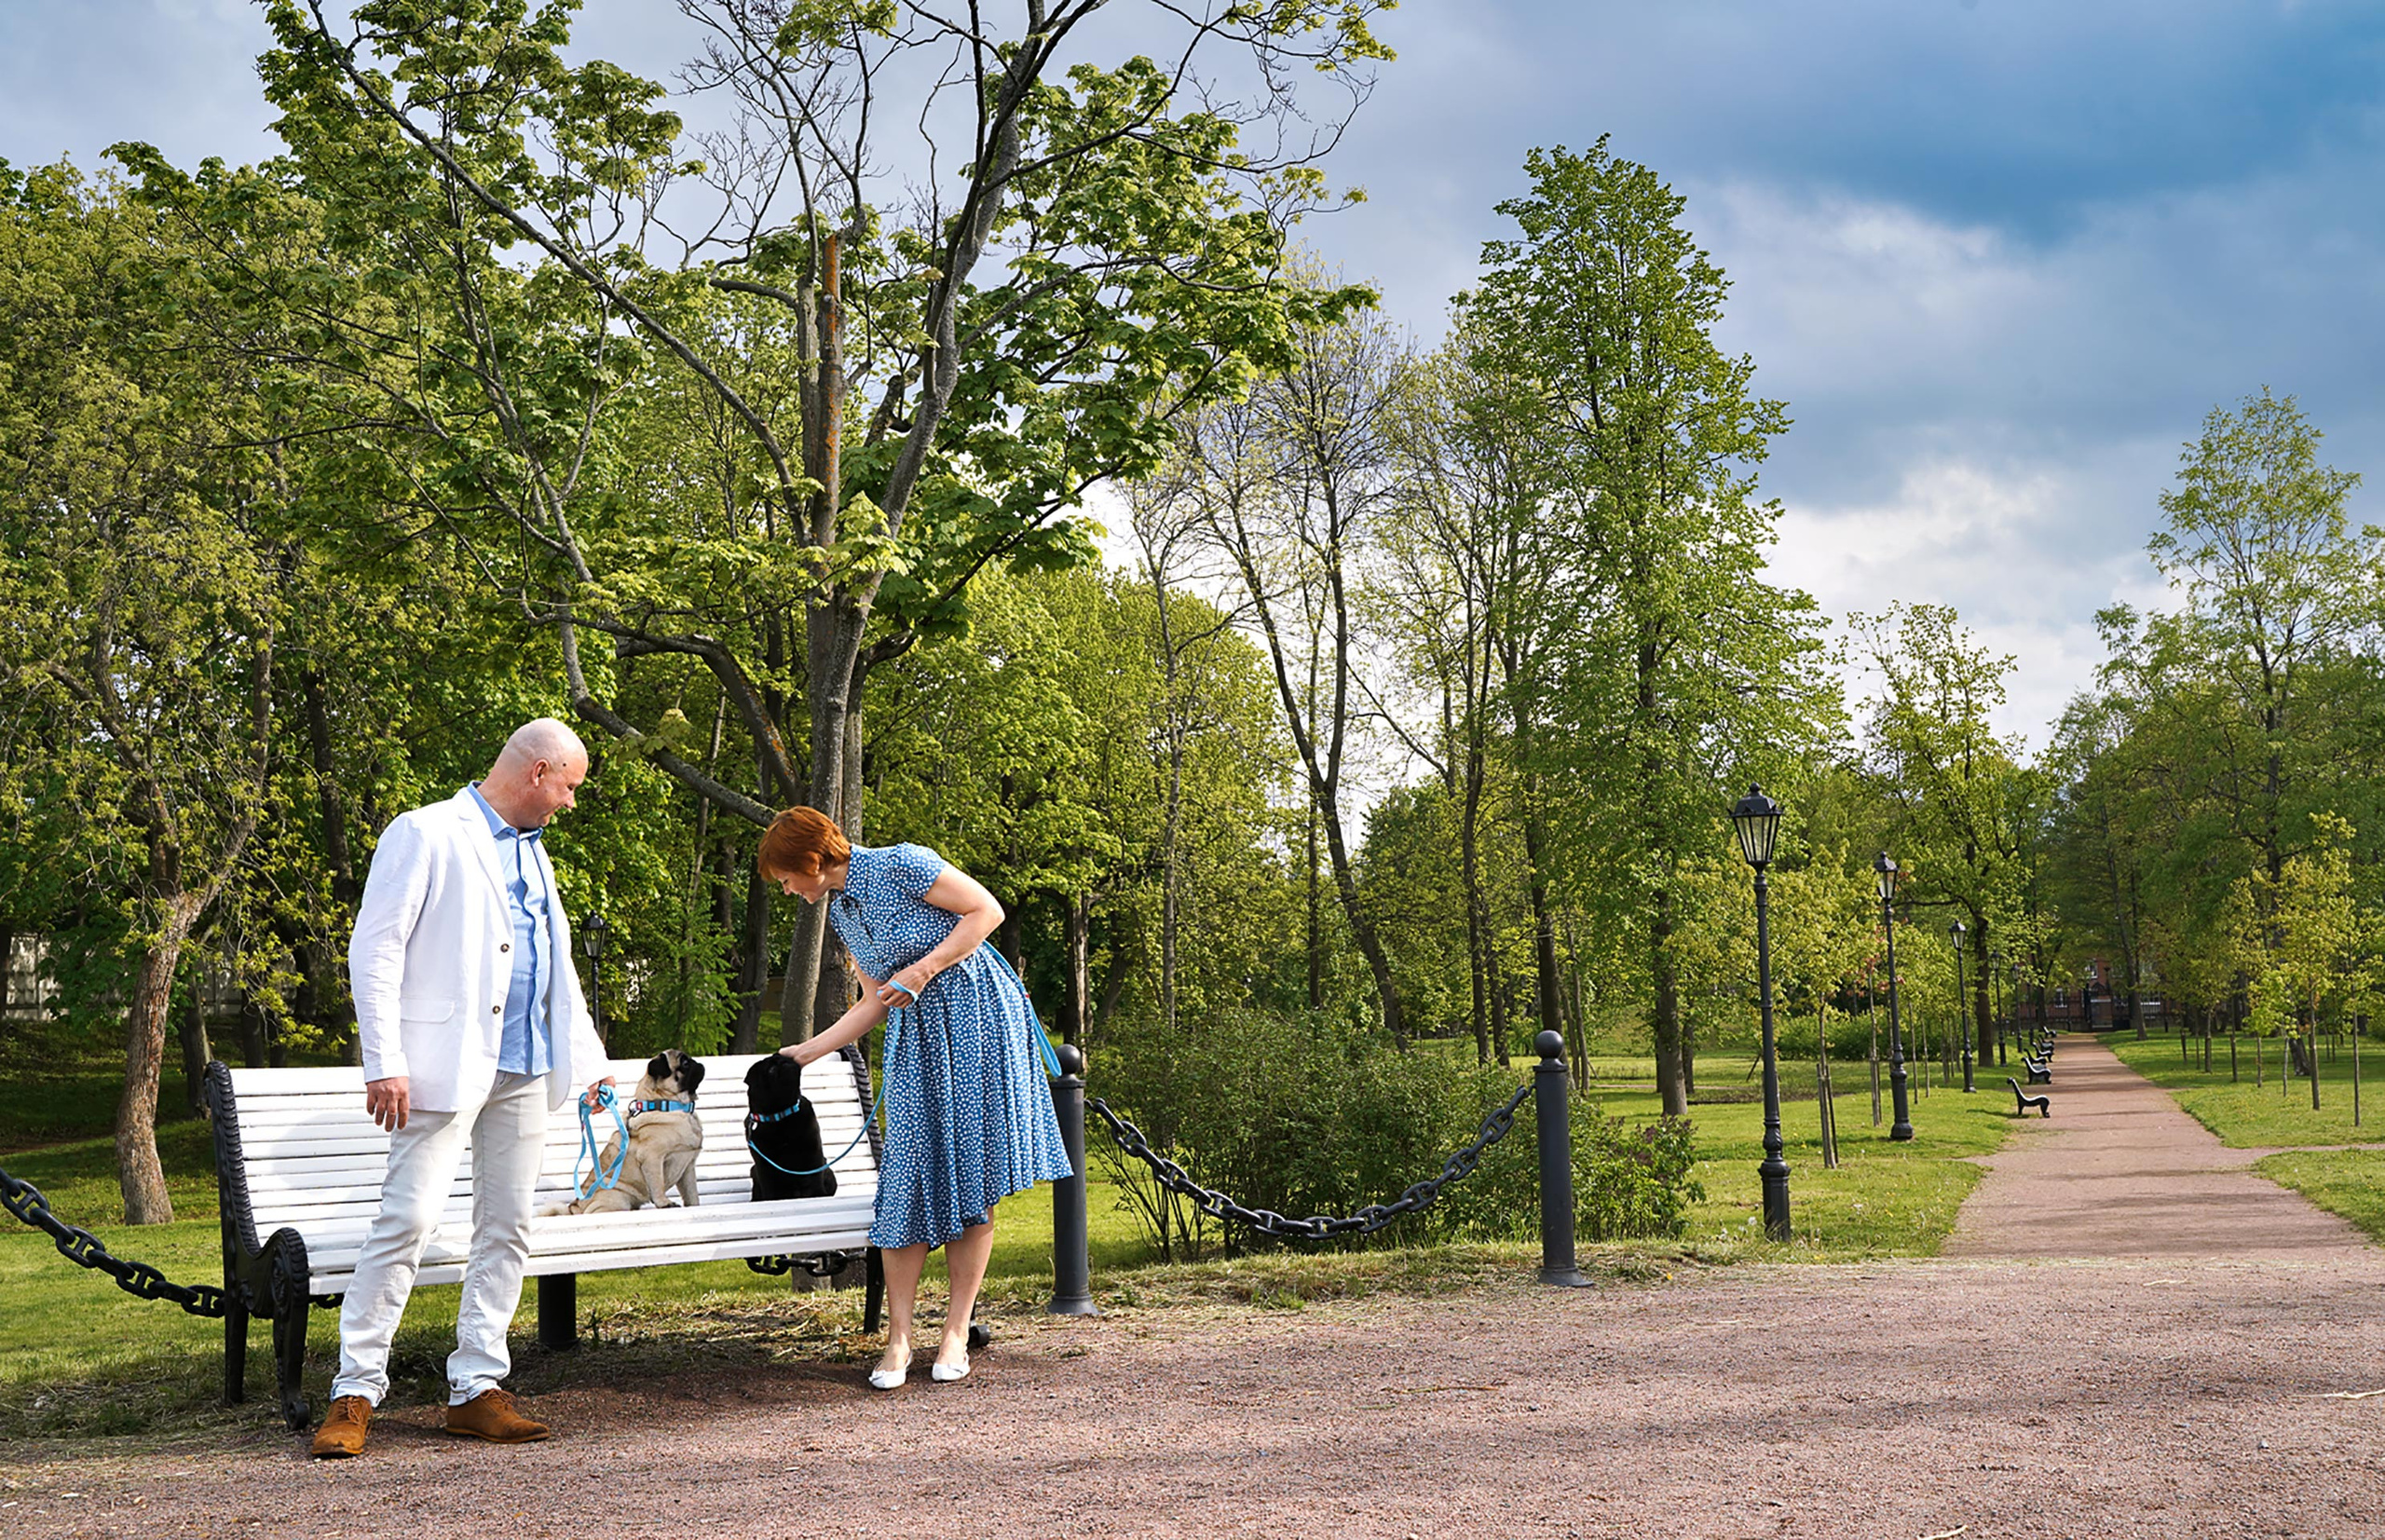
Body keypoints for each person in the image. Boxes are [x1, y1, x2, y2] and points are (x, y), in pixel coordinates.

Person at [309, 718, 615, 1459]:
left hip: (528, 1067)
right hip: (442, 1066)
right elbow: (374, 946)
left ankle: (476, 1386)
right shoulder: (424, 831)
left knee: (507, 1225)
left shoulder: (536, 855)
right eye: (569, 786)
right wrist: (383, 1057)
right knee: (407, 1221)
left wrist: (592, 1064)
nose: (571, 802)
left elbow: (555, 966)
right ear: (539, 771)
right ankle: (354, 1389)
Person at [763, 808, 1074, 1388]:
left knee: (970, 1177)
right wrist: (804, 1053)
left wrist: (925, 968)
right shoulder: (845, 913)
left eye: (784, 876)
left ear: (810, 859)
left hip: (979, 1020)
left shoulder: (902, 863)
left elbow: (987, 910)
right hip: (920, 1038)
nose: (785, 888)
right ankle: (899, 1339)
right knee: (905, 1180)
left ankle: (955, 1331)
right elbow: (874, 1000)